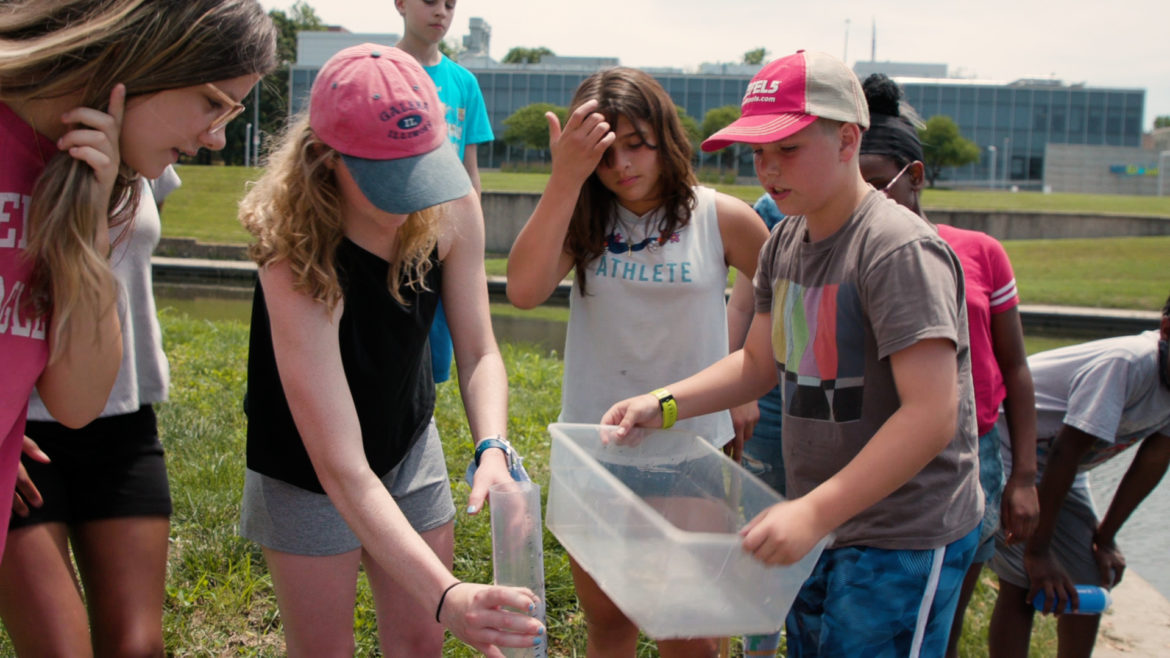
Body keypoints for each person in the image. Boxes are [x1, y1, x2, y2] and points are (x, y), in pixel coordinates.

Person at [603, 51, 984, 657]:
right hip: (825, 520)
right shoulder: (785, 239)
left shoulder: (895, 249)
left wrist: (812, 512)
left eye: (788, 149)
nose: (768, 170)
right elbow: (758, 365)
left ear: (847, 141)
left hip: (901, 531)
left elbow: (931, 415)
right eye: (758, 152)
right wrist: (662, 402)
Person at [237, 44, 543, 658]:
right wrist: (449, 593)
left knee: (418, 643)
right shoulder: (291, 251)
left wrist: (491, 444)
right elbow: (342, 468)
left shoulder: (453, 205)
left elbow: (480, 349)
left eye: (419, 170)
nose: (410, 200)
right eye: (387, 179)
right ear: (324, 159)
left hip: (408, 444)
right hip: (306, 470)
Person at [0, 0, 273, 590]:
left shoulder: (101, 181)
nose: (219, 138)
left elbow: (76, 403)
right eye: (213, 103)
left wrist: (88, 231)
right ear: (153, 50)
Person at [507, 67, 768, 656]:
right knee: (610, 626)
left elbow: (785, 295)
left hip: (692, 452)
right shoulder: (584, 217)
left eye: (636, 145)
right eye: (603, 155)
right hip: (596, 453)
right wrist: (564, 179)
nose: (622, 165)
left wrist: (745, 377)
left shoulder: (718, 216)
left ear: (665, 138)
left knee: (692, 634)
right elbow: (522, 290)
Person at [857, 72, 1040, 658]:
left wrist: (1024, 476)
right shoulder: (848, 254)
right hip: (881, 446)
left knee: (947, 603)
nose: (869, 202)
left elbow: (1014, 369)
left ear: (916, 177)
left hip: (971, 448)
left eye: (880, 185)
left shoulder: (979, 252)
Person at [987, 297, 1170, 658]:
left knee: (1089, 577)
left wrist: (1106, 537)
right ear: (1166, 330)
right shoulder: (1128, 363)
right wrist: (1038, 551)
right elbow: (1066, 452)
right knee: (1024, 580)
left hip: (1062, 466)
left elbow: (1152, 464)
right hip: (1009, 445)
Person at [394, 0, 495, 387]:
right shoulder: (379, 71)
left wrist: (471, 241)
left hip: (443, 238)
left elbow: (471, 172)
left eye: (450, 5)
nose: (442, 12)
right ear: (401, 4)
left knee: (433, 360)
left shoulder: (464, 83)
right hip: (390, 229)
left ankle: (422, 421)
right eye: (431, 2)